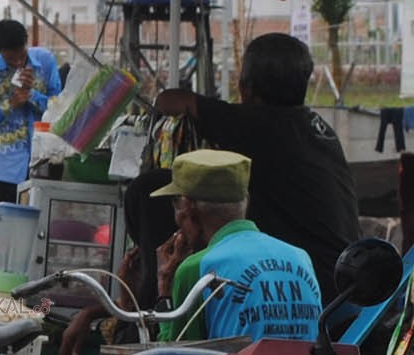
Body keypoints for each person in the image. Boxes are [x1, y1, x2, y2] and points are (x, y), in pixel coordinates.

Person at [152, 31, 361, 285]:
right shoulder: (317, 128)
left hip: (314, 285)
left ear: (245, 88)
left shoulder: (256, 125)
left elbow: (169, 100)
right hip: (350, 282)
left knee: (149, 191)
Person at [157, 150, 322, 339]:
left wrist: (164, 293)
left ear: (187, 207)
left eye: (175, 203)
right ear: (247, 200)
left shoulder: (197, 268)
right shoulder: (300, 257)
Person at [0, 19, 64, 214]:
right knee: (0, 231)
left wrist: (32, 94)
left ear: (26, 44)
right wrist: (9, 105)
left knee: (38, 228)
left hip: (42, 159)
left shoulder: (45, 62)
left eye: (21, 57)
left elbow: (59, 109)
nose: (17, 63)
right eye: (11, 60)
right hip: (1, 166)